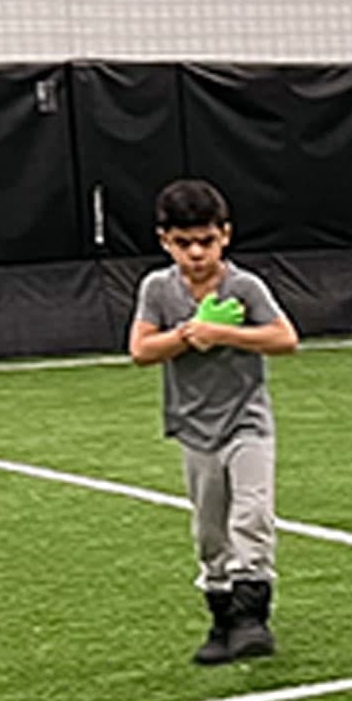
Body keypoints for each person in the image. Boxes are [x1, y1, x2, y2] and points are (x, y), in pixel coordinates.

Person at [127, 179, 301, 665]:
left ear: (225, 235)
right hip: (193, 426)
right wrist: (187, 335)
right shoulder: (157, 289)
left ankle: (252, 616)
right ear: (165, 240)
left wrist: (224, 332)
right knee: (209, 529)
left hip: (247, 421)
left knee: (252, 514)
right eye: (184, 243)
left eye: (206, 241)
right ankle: (220, 613)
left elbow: (285, 338)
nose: (197, 253)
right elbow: (141, 349)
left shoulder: (244, 286)